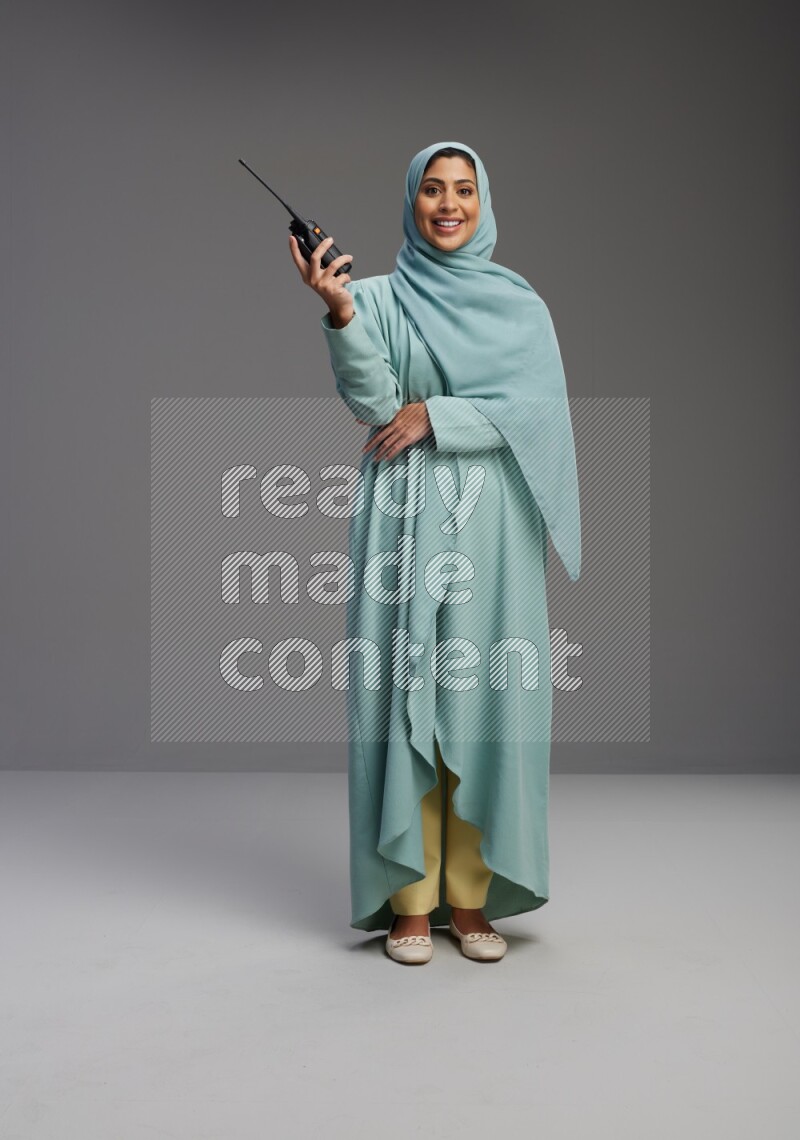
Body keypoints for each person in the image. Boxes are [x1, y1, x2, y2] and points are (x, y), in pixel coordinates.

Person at [289, 141, 581, 964]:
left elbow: (537, 418)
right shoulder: (376, 298)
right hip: (402, 516)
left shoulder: (520, 307)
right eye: (431, 189)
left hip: (494, 524)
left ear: (484, 201)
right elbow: (372, 402)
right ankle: (410, 901)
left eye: (462, 190)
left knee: (485, 706)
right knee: (402, 698)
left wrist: (435, 418)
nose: (447, 204)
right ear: (410, 202)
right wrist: (341, 312)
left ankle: (472, 898)